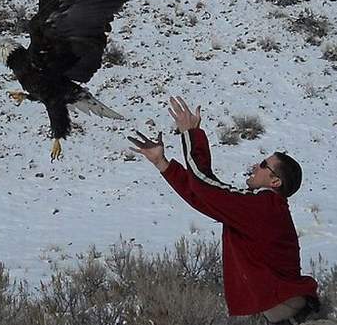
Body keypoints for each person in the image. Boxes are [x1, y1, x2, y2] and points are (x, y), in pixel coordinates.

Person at [127, 96, 320, 325]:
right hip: (279, 310)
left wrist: (191, 134)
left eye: (263, 165)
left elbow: (204, 185)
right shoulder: (262, 207)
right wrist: (162, 163)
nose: (256, 166)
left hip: (282, 311)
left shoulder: (262, 207)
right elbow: (203, 197)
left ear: (275, 181)